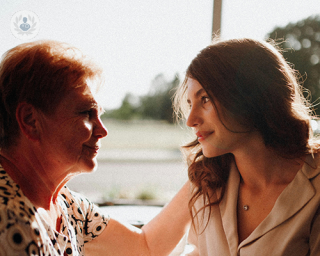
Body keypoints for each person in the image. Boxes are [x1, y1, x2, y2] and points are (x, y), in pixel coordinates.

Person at [0, 40, 191, 256]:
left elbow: (144, 247)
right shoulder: (10, 221)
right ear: (30, 120)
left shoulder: (65, 204)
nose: (102, 130)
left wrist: (199, 178)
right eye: (86, 113)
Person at [173, 38, 320, 255]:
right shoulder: (206, 184)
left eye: (204, 99)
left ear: (250, 95)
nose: (190, 120)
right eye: (189, 104)